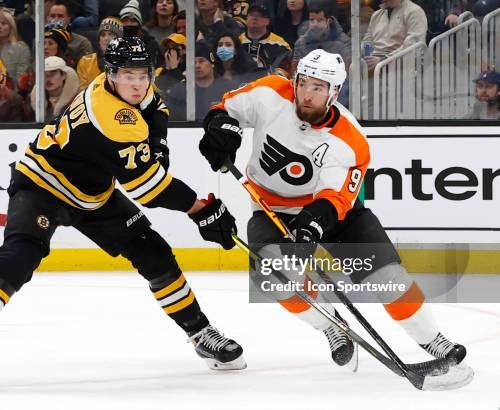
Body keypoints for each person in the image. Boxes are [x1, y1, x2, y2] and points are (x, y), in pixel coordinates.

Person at [0, 36, 245, 391]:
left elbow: (156, 109)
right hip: (43, 184)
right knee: (20, 255)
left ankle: (200, 332)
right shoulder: (112, 116)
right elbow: (148, 189)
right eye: (129, 75)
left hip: (92, 193)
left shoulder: (125, 91)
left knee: (152, 250)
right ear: (111, 75)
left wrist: (157, 146)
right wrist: (202, 209)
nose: (138, 83)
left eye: (143, 75)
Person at [197, 49, 471, 386]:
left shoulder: (349, 140)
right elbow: (225, 106)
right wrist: (220, 128)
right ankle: (332, 327)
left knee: (387, 278)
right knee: (275, 278)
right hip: (272, 208)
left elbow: (334, 198)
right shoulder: (270, 92)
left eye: (318, 87)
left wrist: (311, 225)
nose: (307, 93)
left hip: (335, 214)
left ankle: (432, 340)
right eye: (304, 84)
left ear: (334, 93)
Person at [361, 0, 427, 72]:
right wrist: (364, 57)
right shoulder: (376, 15)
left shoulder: (414, 11)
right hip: (376, 62)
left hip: (403, 65)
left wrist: (384, 60)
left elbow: (413, 44)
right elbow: (367, 40)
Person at [239, 3, 291, 75]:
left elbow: (286, 73)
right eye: (251, 15)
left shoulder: (280, 44)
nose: (255, 18)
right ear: (246, 18)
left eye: (260, 16)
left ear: (268, 21)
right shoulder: (237, 41)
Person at [0, 8, 31, 88]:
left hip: (13, 92)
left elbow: (20, 81)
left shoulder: (21, 48)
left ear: (11, 27)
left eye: (4, 23)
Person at [77, 16, 122, 90]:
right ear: (99, 40)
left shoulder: (127, 62)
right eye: (103, 35)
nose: (106, 38)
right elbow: (83, 92)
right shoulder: (85, 61)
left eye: (111, 34)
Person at [119, 0, 163, 67]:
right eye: (125, 20)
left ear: (139, 24)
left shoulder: (151, 43)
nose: (129, 24)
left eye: (133, 21)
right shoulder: (116, 43)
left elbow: (156, 67)